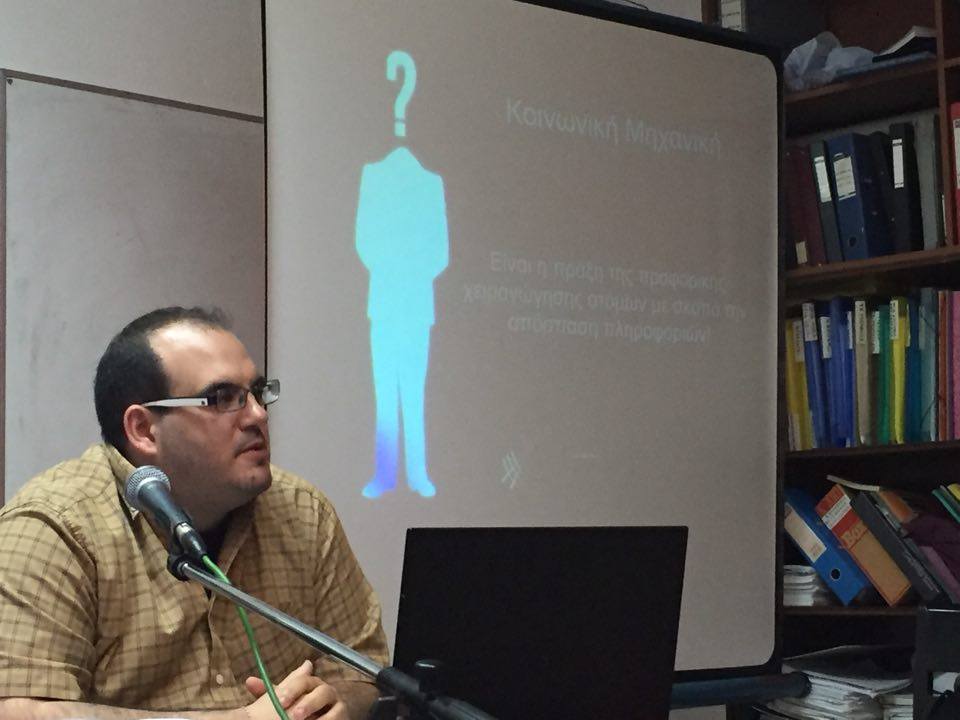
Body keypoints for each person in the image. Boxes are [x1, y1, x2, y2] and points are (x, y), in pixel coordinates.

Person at [0, 307, 388, 720]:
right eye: (223, 398)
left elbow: (365, 669)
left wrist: (337, 700)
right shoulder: (54, 528)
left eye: (258, 392)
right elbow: (18, 711)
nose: (258, 415)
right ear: (143, 430)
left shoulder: (303, 511)